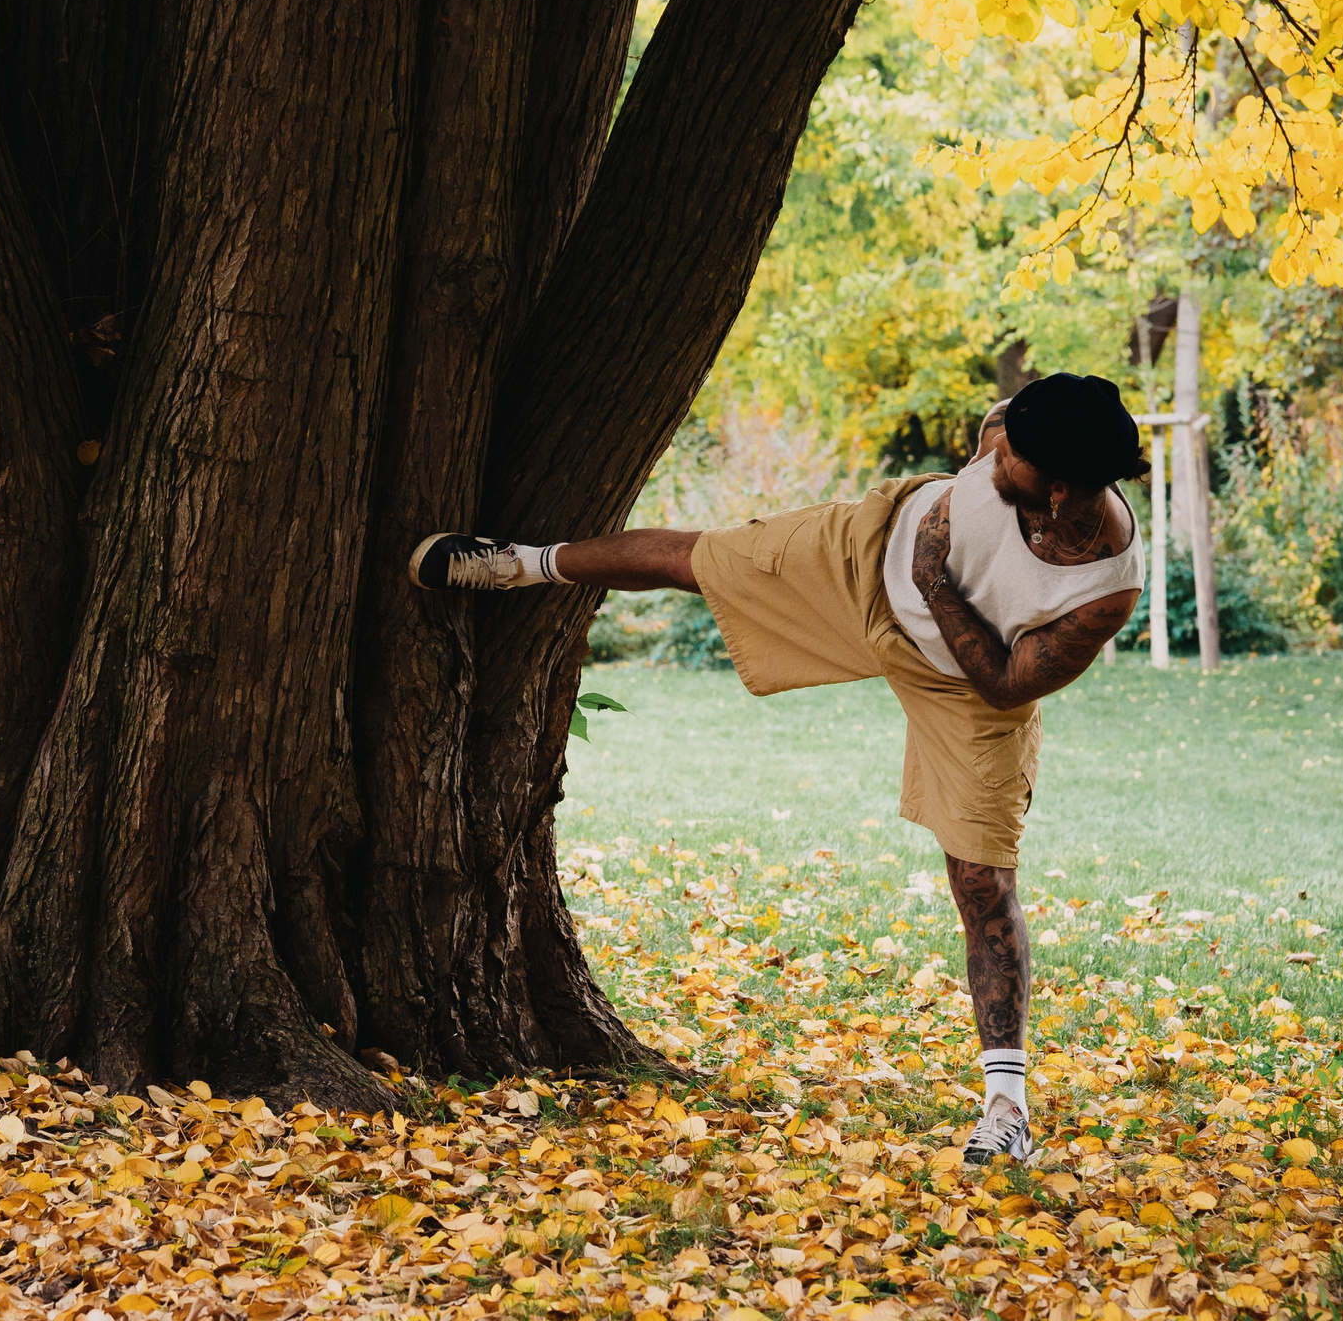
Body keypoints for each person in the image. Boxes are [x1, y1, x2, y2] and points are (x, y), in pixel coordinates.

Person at [411, 372, 1147, 1164]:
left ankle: (1007, 1106)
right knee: (701, 560)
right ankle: (517, 564)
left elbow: (1005, 681)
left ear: (1064, 488)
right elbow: (996, 425)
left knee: (982, 876)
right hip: (867, 554)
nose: (995, 458)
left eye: (1014, 462)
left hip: (965, 682)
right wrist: (930, 547)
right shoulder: (1018, 432)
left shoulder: (1101, 590)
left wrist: (935, 582)